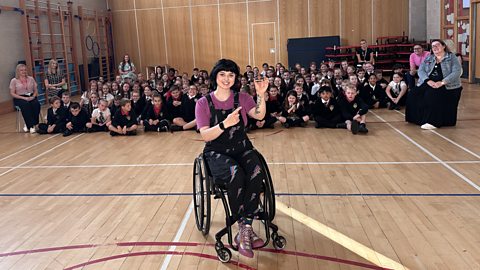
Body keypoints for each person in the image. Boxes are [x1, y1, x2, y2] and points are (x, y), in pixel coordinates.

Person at [195, 59, 269, 258]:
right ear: (215, 77)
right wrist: (224, 124)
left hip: (241, 148)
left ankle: (245, 228)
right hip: (217, 152)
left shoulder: (243, 98)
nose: (226, 79)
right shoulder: (203, 103)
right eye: (222, 74)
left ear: (235, 78)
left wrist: (261, 95)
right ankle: (242, 226)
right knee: (235, 173)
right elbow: (205, 135)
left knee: (256, 172)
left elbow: (260, 115)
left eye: (231, 75)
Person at [405, 39, 462, 129]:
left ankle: (432, 122)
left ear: (443, 46)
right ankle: (417, 119)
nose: (435, 47)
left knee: (431, 94)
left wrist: (442, 82)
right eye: (433, 46)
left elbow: (457, 72)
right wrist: (427, 80)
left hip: (447, 84)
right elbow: (421, 70)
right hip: (429, 81)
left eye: (437, 45)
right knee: (413, 93)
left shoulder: (451, 57)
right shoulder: (429, 57)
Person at [10, 64, 41, 133]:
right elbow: (12, 93)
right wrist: (23, 98)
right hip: (19, 97)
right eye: (21, 70)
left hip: (30, 96)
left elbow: (35, 90)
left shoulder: (31, 78)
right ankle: (30, 126)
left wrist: (33, 96)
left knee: (36, 104)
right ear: (18, 71)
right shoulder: (14, 80)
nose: (23, 71)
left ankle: (35, 123)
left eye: (25, 70)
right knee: (26, 105)